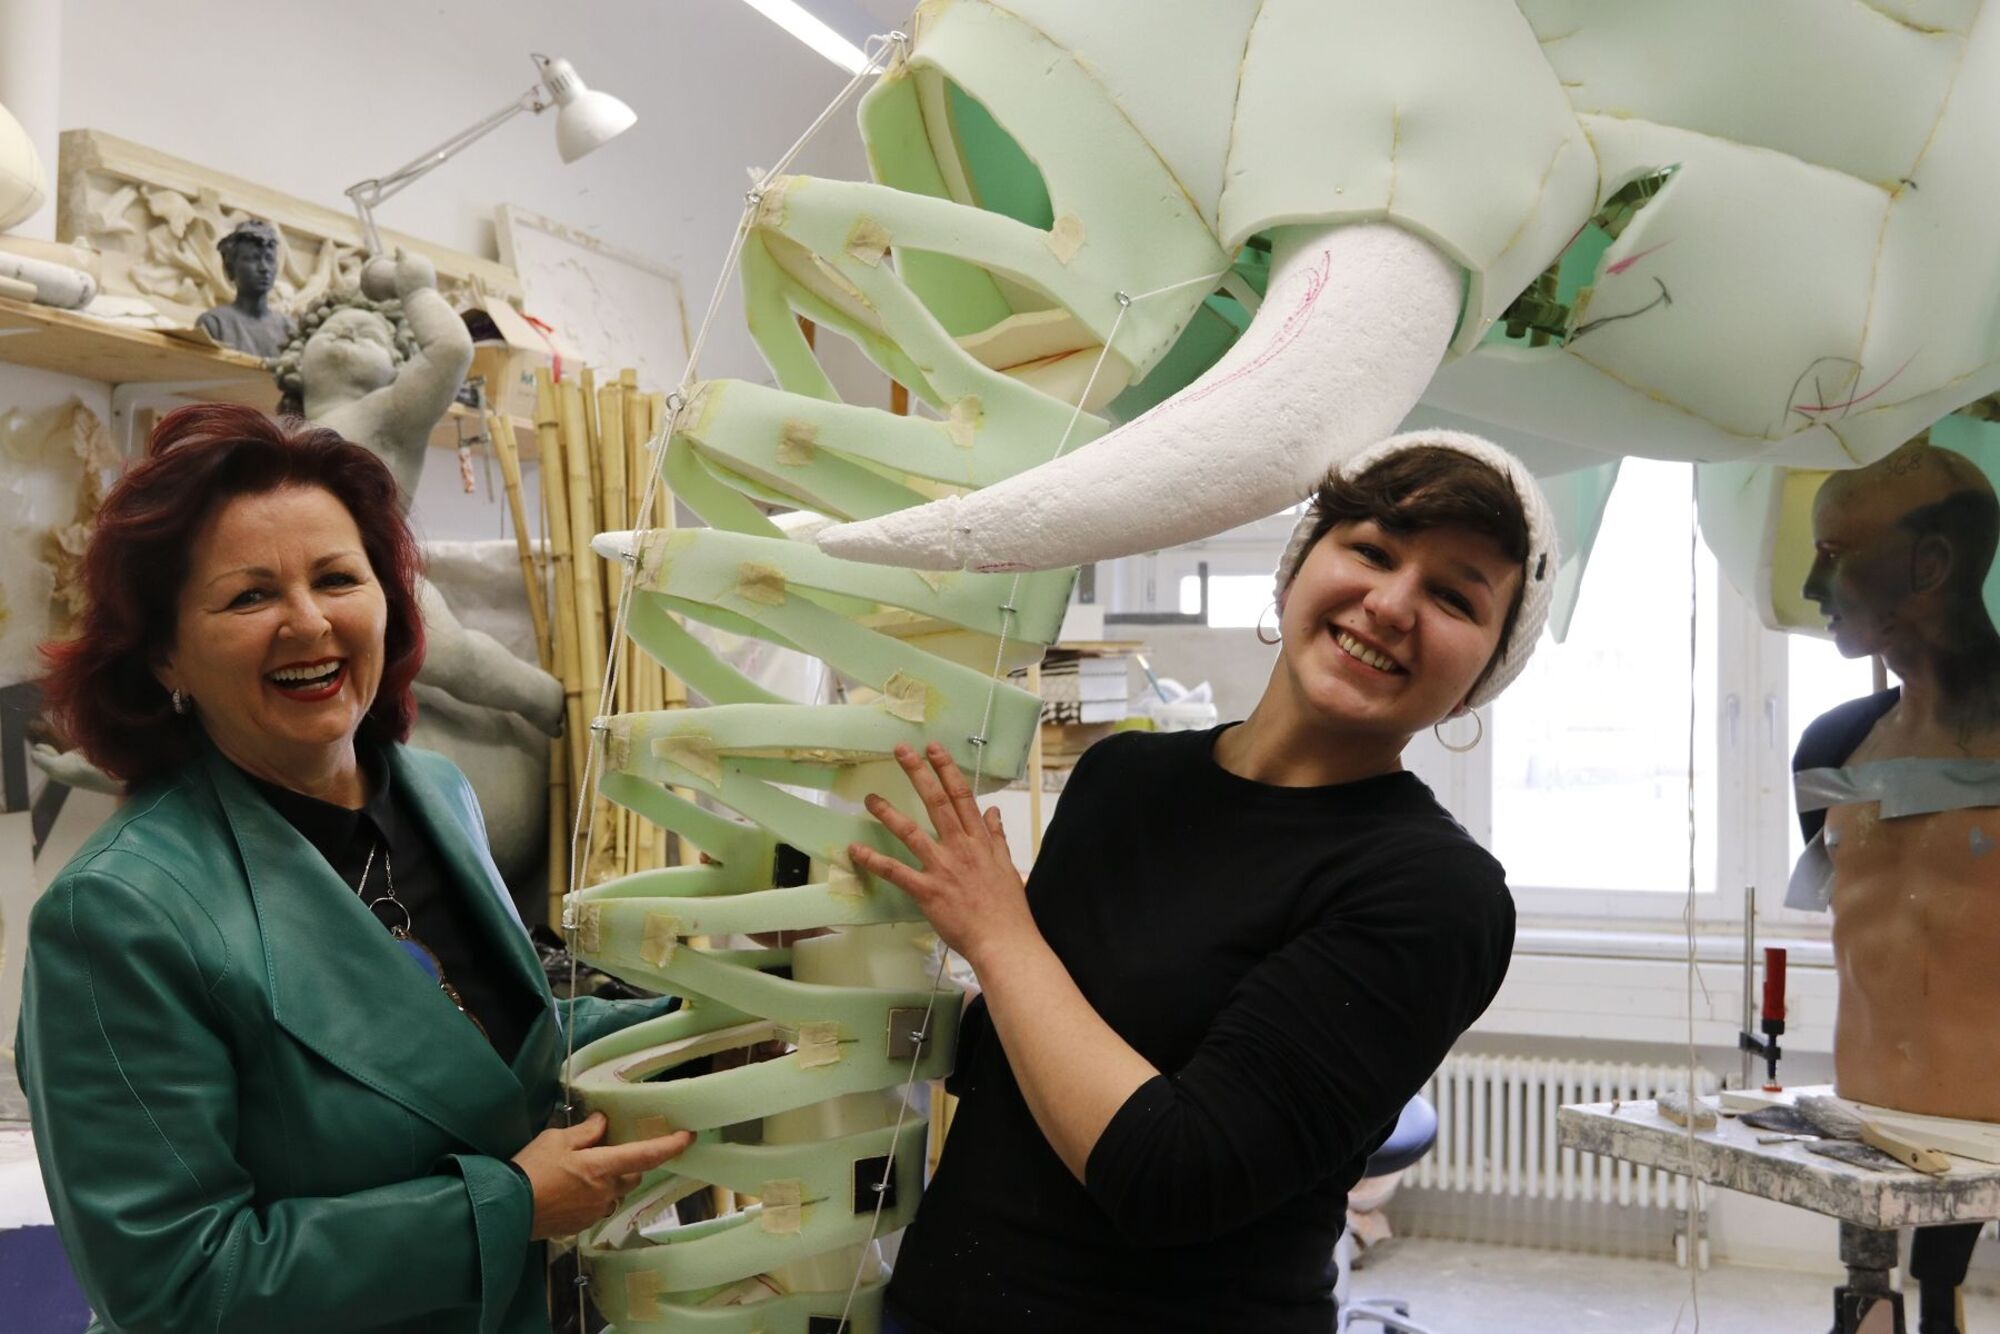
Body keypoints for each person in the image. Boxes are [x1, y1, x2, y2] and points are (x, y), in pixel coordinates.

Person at [848, 430, 1558, 1333]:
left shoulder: (1434, 893)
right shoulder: (1123, 780)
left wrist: (996, 932)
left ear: (1479, 682)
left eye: (1454, 596)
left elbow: (1173, 1177)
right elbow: (1017, 1063)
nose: (1390, 603)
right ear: (1297, 568)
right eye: (1372, 550)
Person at [20, 402, 692, 1333]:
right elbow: (173, 1283)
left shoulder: (435, 793)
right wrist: (504, 1211)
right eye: (250, 596)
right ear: (167, 653)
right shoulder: (120, 914)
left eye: (338, 578)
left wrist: (714, 1017)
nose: (308, 623)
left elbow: (479, 1040)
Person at [1792, 437, 2000, 1334]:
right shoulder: (1831, 748)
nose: (1811, 587)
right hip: (1867, 1139)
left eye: (1833, 555)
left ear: (1931, 563)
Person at [197, 218, 296, 358]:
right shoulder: (214, 323)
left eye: (269, 259)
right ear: (230, 269)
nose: (264, 268)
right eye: (253, 258)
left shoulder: (290, 329)